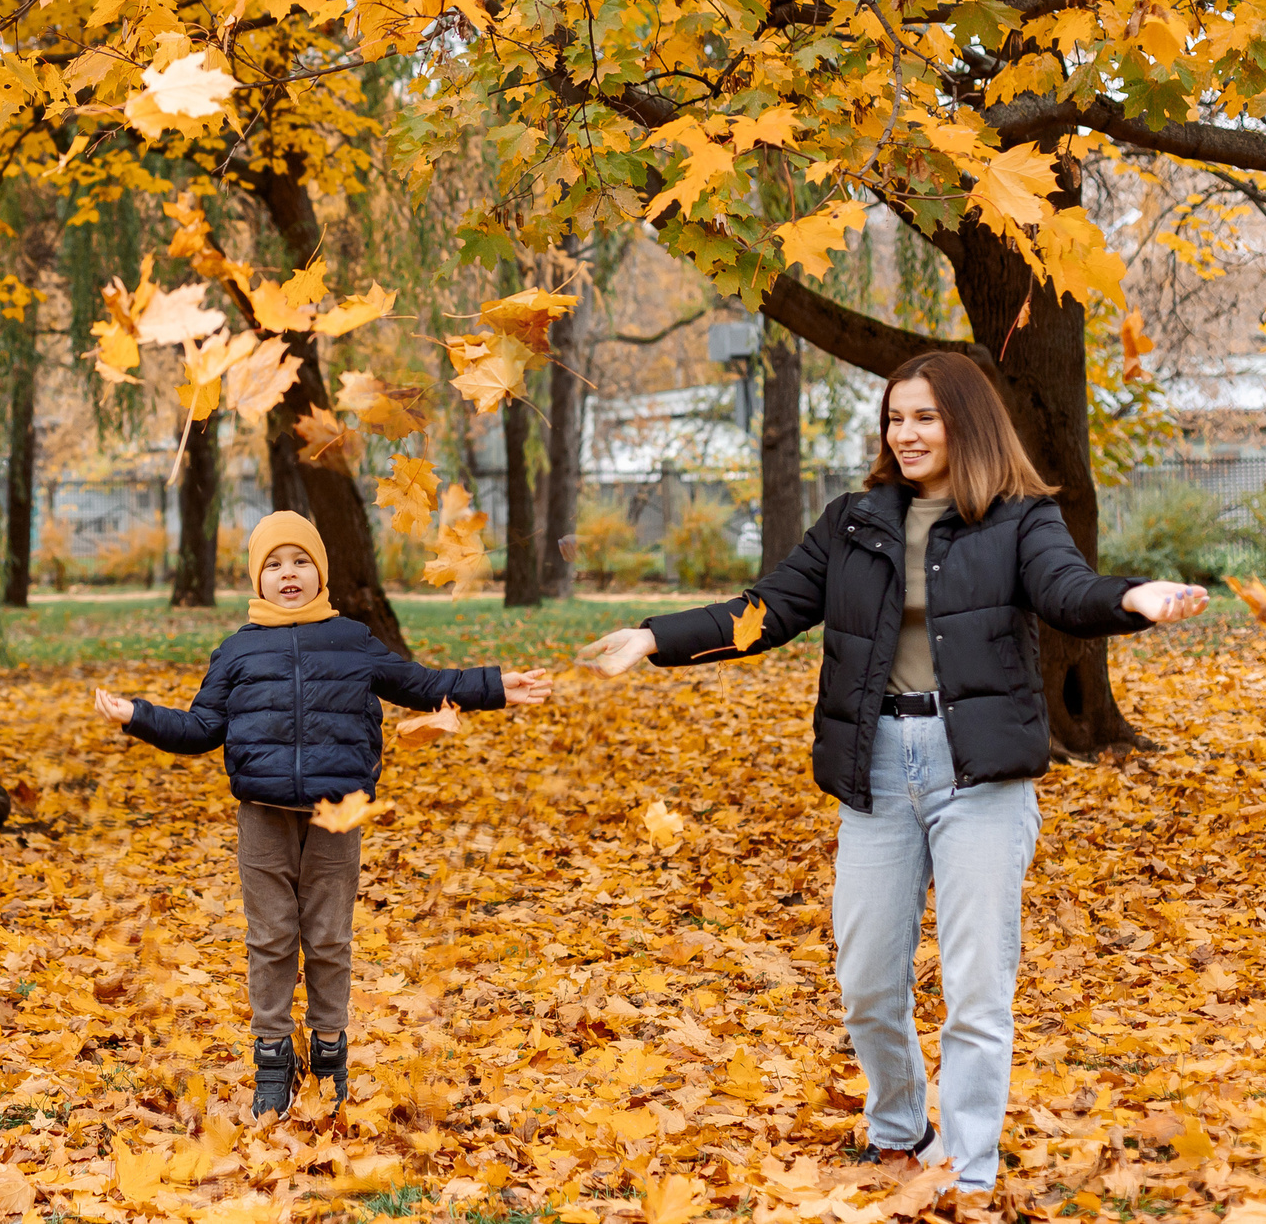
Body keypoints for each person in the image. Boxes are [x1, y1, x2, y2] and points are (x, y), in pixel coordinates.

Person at [579, 351, 1206, 1194]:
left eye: (924, 417)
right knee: (868, 979)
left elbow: (1066, 591)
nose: (904, 434)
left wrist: (1131, 599)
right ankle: (900, 1130)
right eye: (894, 418)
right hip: (877, 769)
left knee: (977, 986)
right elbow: (763, 612)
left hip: (977, 774)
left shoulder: (1020, 519)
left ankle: (970, 1173)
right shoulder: (852, 521)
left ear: (967, 423)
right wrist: (655, 637)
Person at [94, 511, 553, 1115]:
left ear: (321, 572)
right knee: (272, 938)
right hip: (263, 816)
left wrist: (495, 686)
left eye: (301, 561)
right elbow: (202, 727)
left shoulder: (353, 641)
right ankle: (272, 1060)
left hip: (338, 813)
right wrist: (139, 716)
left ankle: (330, 1049)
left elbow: (422, 683)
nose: (289, 573)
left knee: (330, 937)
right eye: (275, 563)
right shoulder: (236, 652)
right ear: (258, 578)